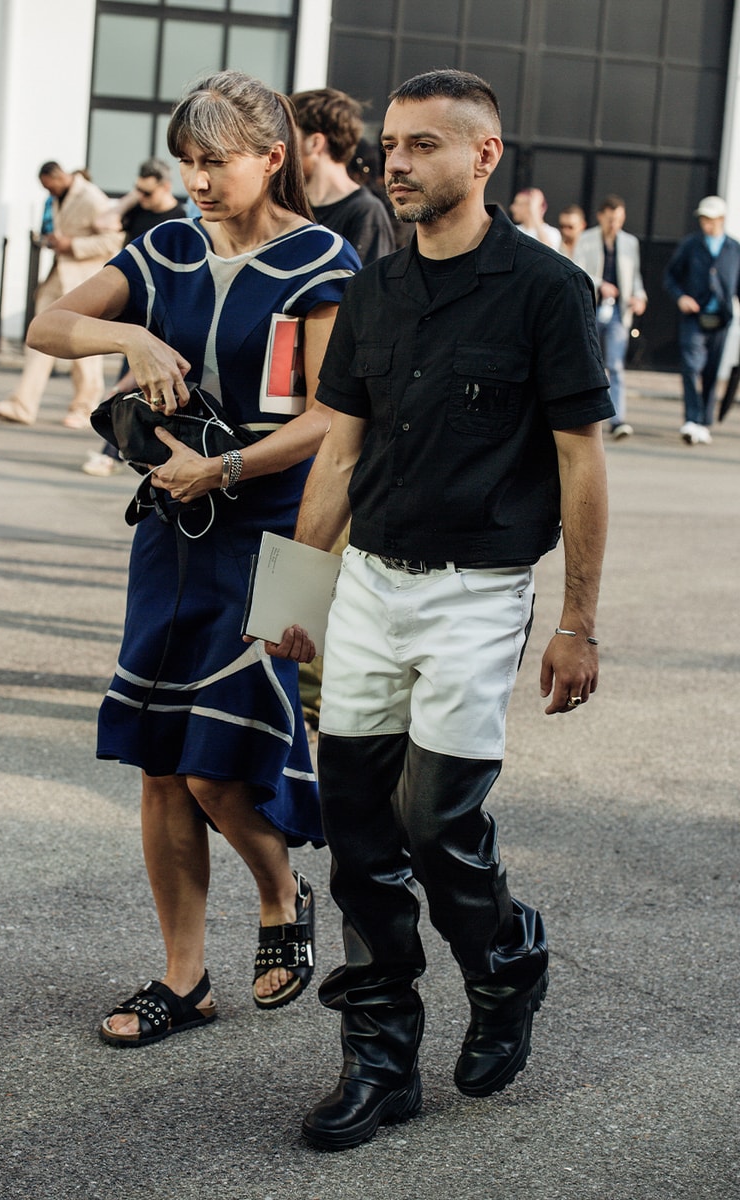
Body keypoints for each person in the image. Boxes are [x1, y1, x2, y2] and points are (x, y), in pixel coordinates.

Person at [267, 67, 612, 1151]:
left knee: (433, 822)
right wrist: (290, 594)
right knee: (358, 834)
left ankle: (504, 963)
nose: (395, 163)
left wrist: (576, 621)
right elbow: (340, 448)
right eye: (390, 146)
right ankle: (378, 1061)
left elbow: (578, 461)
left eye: (421, 145)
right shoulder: (372, 291)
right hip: (368, 585)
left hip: (478, 593)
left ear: (483, 157)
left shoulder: (546, 291)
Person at [27, 70, 359, 1044]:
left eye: (218, 161)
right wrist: (128, 334)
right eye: (188, 163)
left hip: (276, 535)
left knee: (221, 768)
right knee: (160, 762)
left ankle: (278, 893)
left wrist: (224, 470)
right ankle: (182, 979)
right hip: (171, 537)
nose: (200, 180)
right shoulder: (165, 245)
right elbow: (50, 323)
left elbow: (335, 421)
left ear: (274, 156)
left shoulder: (320, 261)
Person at [0, 162, 123, 428]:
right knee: (40, 339)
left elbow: (114, 240)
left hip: (83, 281)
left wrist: (72, 244)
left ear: (58, 176)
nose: (49, 192)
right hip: (57, 277)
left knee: (86, 346)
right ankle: (22, 405)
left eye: (49, 186)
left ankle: (85, 409)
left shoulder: (91, 197)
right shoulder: (59, 196)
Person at [83, 159, 188, 477]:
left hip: (161, 311)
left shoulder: (178, 219)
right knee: (130, 384)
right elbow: (103, 222)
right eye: (138, 189)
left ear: (165, 187)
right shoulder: (137, 208)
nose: (142, 196)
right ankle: (121, 452)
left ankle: (113, 453)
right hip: (133, 312)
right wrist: (133, 196)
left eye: (147, 191)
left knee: (130, 387)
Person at [664, 195, 740, 445]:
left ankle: (704, 421)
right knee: (691, 366)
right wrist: (681, 297)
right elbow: (670, 277)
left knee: (711, 371)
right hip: (694, 317)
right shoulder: (691, 245)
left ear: (721, 219)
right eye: (703, 219)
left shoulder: (734, 249)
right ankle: (691, 418)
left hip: (720, 319)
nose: (706, 224)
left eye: (710, 219)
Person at [290, 87, 395, 265]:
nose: (281, 148)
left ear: (315, 142)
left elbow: (367, 289)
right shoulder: (292, 205)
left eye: (289, 137)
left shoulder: (366, 213)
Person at [574, 195, 647, 439]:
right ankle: (587, 416)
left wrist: (639, 297)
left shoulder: (629, 243)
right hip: (592, 308)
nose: (613, 224)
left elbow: (635, 276)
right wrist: (601, 283)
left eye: (617, 219)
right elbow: (578, 270)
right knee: (588, 363)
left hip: (618, 310)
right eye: (609, 219)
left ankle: (618, 420)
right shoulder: (586, 239)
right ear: (600, 217)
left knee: (615, 365)